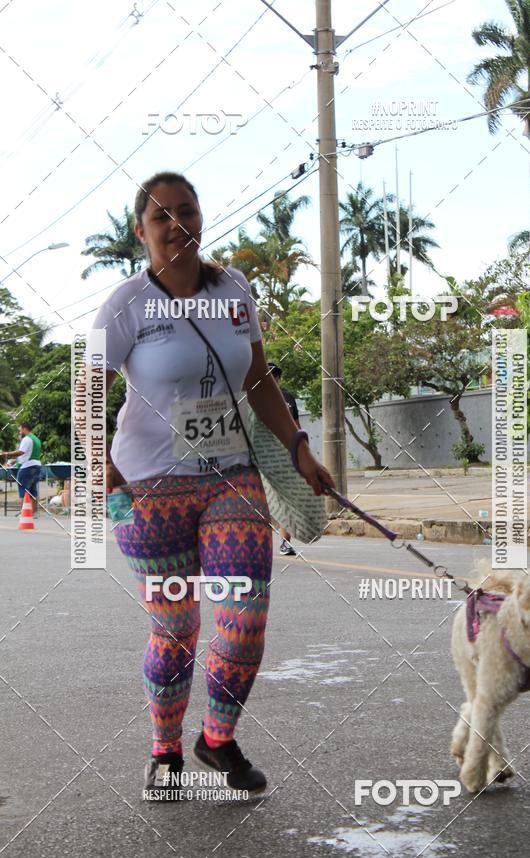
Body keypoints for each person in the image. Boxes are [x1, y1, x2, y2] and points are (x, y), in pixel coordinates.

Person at [92, 171, 334, 800]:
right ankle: (166, 751)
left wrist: (299, 447)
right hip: (148, 486)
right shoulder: (124, 305)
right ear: (141, 232)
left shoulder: (234, 290)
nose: (177, 225)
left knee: (245, 614)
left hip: (232, 475)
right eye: (161, 217)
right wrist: (102, 465)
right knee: (176, 628)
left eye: (187, 211)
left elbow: (257, 379)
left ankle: (217, 739)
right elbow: (85, 387)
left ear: (201, 217)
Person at [267, 362, 300, 556]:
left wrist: (303, 451)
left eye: (276, 375)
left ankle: (285, 542)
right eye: (269, 375)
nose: (274, 379)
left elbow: (296, 425)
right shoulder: (253, 398)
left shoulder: (288, 398)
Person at [0, 422, 42, 515]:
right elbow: (27, 454)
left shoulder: (27, 439)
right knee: (33, 490)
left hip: (27, 467)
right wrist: (15, 461)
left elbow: (20, 452)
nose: (20, 432)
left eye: (20, 430)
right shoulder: (36, 439)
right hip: (37, 466)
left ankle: (24, 511)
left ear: (24, 429)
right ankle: (34, 513)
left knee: (23, 488)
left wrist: (6, 453)